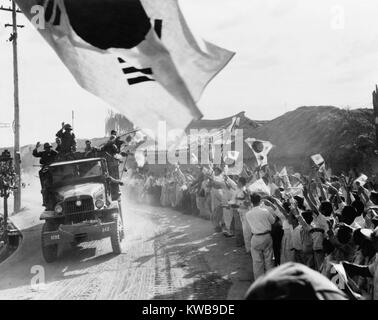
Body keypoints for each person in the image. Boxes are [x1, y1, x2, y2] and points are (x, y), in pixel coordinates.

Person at [246, 193, 276, 280]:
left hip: (256, 237)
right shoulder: (265, 211)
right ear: (260, 201)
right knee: (269, 260)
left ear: (251, 201)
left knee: (257, 262)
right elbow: (273, 221)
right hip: (266, 236)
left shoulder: (248, 214)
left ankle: (259, 282)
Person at [32, 142, 58, 208]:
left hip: (54, 167)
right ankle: (43, 186)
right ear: (45, 148)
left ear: (50, 148)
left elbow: (59, 156)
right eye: (46, 148)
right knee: (41, 173)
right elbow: (35, 154)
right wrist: (36, 147)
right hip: (45, 168)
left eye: (48, 148)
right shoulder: (43, 153)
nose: (47, 149)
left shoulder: (54, 153)